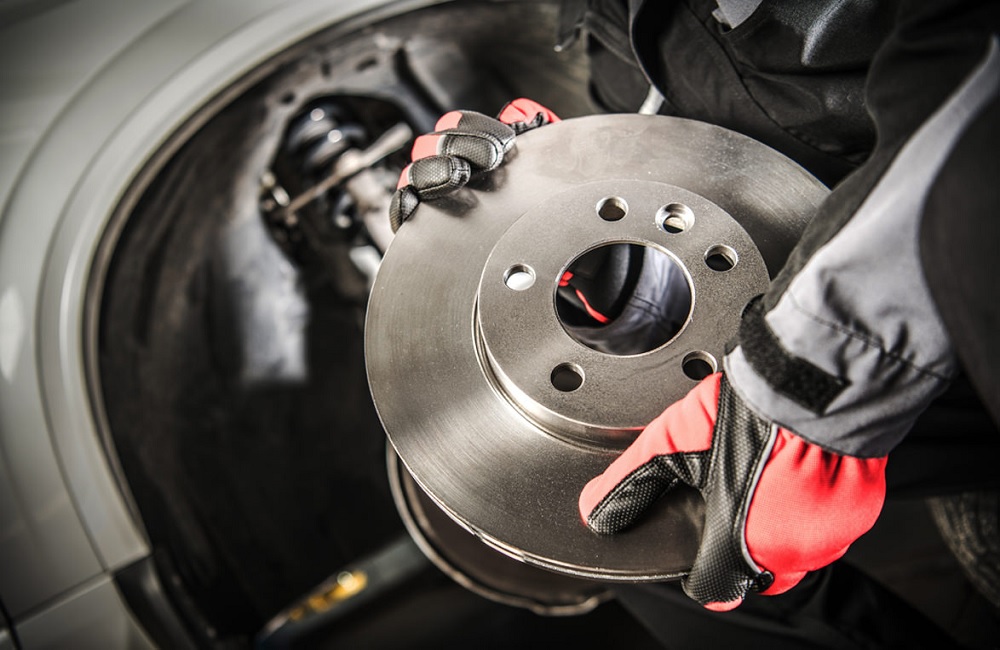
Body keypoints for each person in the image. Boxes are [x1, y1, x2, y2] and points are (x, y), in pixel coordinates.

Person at [389, 0, 1000, 647]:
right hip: (800, 294)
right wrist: (621, 269)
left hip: (941, 292)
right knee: (614, 521)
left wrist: (806, 381)